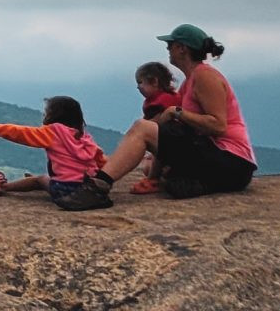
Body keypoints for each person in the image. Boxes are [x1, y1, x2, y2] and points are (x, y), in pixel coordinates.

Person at [101, 25, 254, 198]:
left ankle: (99, 184)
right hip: (222, 161)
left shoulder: (205, 76)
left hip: (231, 160)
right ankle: (188, 182)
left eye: (171, 45)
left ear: (182, 49)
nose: (168, 49)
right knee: (156, 169)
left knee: (142, 128)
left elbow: (218, 125)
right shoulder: (189, 82)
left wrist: (176, 112)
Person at [0, 96, 110, 209]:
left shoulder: (53, 132)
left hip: (67, 193)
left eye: (46, 112)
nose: (43, 115)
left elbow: (20, 133)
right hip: (94, 191)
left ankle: (3, 187)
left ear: (54, 116)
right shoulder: (85, 139)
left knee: (40, 180)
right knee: (48, 180)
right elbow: (103, 162)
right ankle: (37, 181)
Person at [105, 62, 181, 194]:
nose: (138, 87)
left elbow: (158, 122)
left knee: (153, 163)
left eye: (140, 82)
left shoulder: (163, 101)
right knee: (147, 167)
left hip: (169, 141)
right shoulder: (168, 97)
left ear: (154, 82)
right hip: (172, 143)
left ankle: (153, 179)